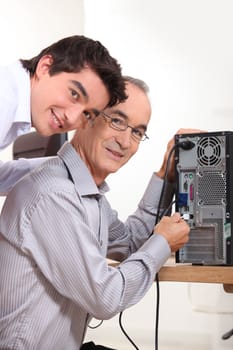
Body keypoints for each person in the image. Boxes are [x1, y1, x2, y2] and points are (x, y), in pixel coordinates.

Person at [0, 76, 191, 349]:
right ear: (87, 118)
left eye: (137, 132)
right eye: (117, 121)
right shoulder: (56, 195)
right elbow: (106, 297)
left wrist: (166, 177)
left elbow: (129, 242)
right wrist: (163, 242)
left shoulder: (88, 195)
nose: (125, 141)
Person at [0, 35, 127, 194]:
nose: (72, 118)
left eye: (87, 114)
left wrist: (65, 167)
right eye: (74, 94)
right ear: (45, 67)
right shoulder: (4, 98)